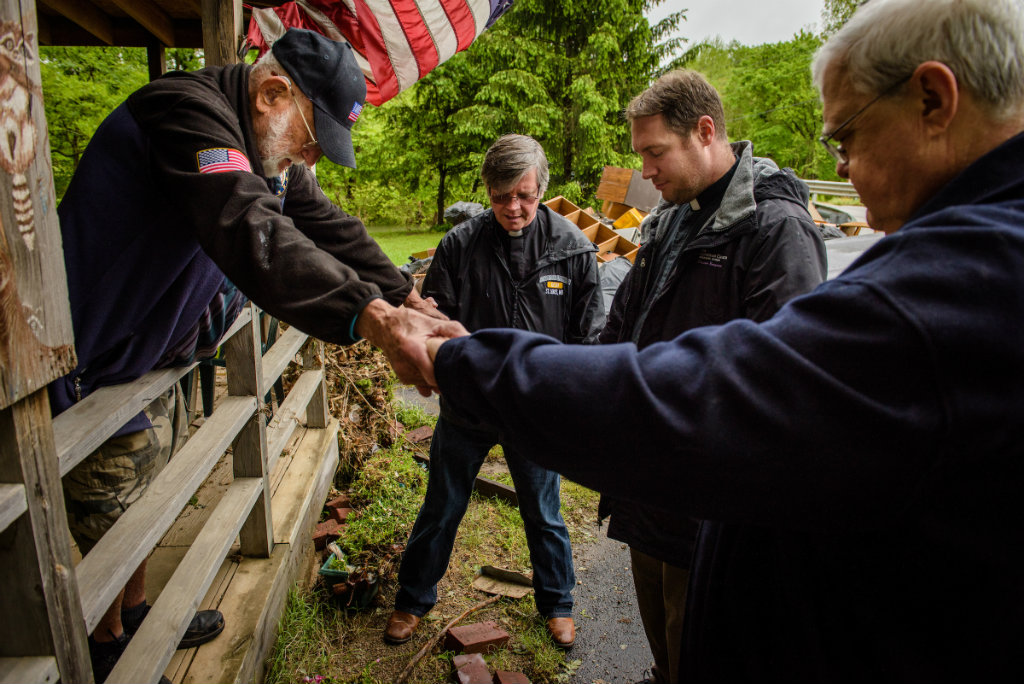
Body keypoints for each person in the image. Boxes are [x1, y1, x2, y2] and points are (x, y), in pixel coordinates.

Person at [411, 0, 1024, 679]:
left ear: (933, 100)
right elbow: (619, 337)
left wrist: (463, 360)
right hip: (664, 501)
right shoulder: (672, 222)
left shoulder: (944, 280)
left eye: (845, 138)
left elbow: (735, 397)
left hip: (700, 503)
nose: (842, 169)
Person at [50, 29, 443, 681]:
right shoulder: (185, 114)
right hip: (85, 364)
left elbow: (329, 225)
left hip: (143, 359)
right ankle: (110, 641)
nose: (309, 159)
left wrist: (408, 294)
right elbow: (246, 226)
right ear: (272, 93)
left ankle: (139, 610)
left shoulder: (264, 150)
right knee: (113, 523)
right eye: (311, 139)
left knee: (149, 493)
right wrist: (372, 316)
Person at [599, 69, 825, 684]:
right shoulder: (670, 219)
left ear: (705, 132)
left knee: (700, 630)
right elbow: (621, 328)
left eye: (655, 152)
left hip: (711, 493)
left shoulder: (776, 229)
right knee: (658, 619)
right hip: (649, 475)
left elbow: (785, 376)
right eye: (640, 154)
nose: (645, 170)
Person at [383, 134, 605, 649]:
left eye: (524, 195)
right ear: (488, 190)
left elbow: (587, 335)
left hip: (534, 409)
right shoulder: (461, 245)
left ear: (541, 190)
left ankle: (557, 603)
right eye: (502, 195)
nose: (513, 207)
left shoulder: (572, 248)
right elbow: (432, 323)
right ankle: (412, 599)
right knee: (441, 504)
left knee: (544, 510)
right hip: (469, 405)